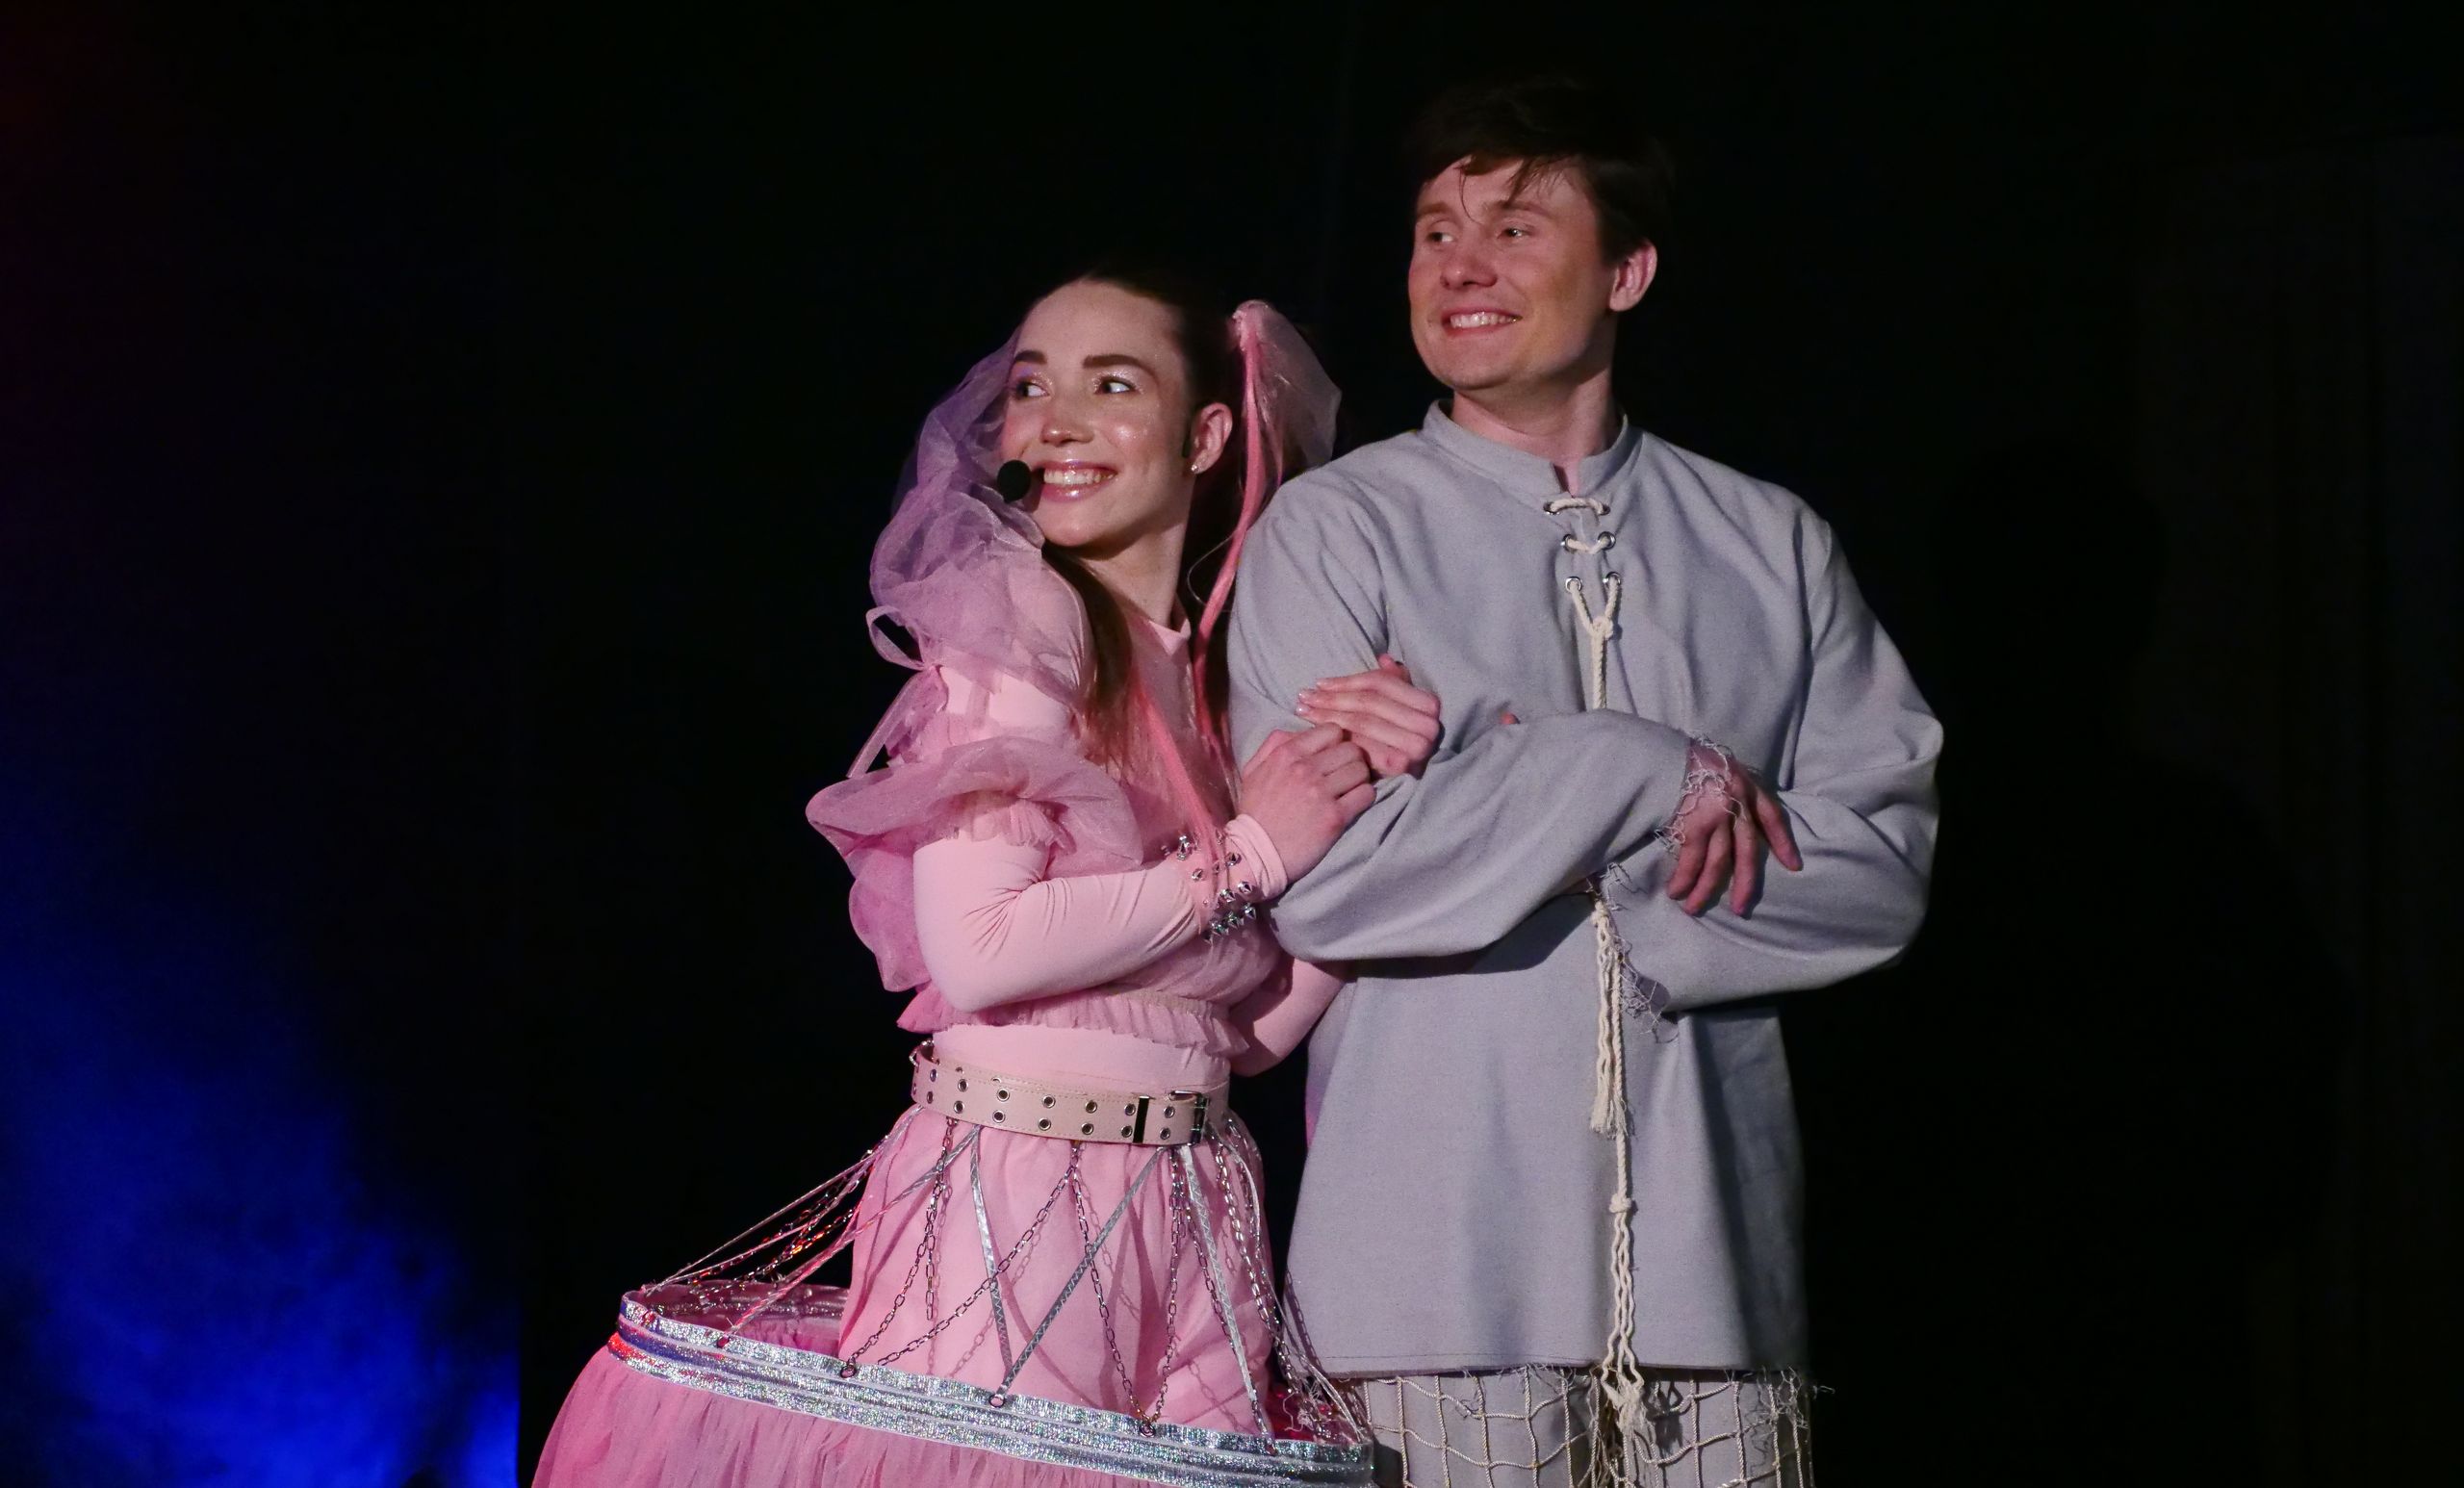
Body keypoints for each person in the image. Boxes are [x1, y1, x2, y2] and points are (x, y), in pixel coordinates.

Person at [533, 267, 1423, 1487]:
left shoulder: (1211, 677)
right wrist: (1254, 853)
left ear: (1207, 434)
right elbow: (979, 946)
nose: (1054, 424)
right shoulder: (1023, 625)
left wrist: (1376, 824)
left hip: (1195, 1194)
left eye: (1112, 386)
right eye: (1030, 389)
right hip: (1020, 1187)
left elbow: (1240, 1036)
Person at [1227, 77, 1941, 1488]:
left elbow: (1879, 872)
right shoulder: (1335, 529)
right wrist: (1642, 770)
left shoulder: (1769, 541)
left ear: (1627, 270)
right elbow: (1336, 881)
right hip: (1432, 1275)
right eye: (1435, 233)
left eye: (1513, 227)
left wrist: (1522, 825)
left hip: (1709, 1276)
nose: (1460, 267)